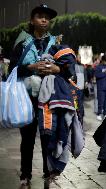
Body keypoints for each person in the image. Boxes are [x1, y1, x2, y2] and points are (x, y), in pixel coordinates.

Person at [8, 4, 59, 185]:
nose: (44, 20)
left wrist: (55, 68)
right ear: (32, 20)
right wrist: (30, 67)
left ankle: (48, 171)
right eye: (40, 16)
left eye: (47, 17)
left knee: (48, 136)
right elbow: (12, 69)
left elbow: (67, 70)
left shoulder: (56, 42)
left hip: (49, 98)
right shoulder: (22, 42)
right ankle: (25, 173)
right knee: (27, 138)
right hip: (27, 98)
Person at [94, 55, 106, 121]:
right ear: (103, 60)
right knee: (101, 102)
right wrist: (105, 73)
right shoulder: (98, 67)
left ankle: (105, 113)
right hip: (101, 88)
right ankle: (99, 114)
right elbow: (97, 75)